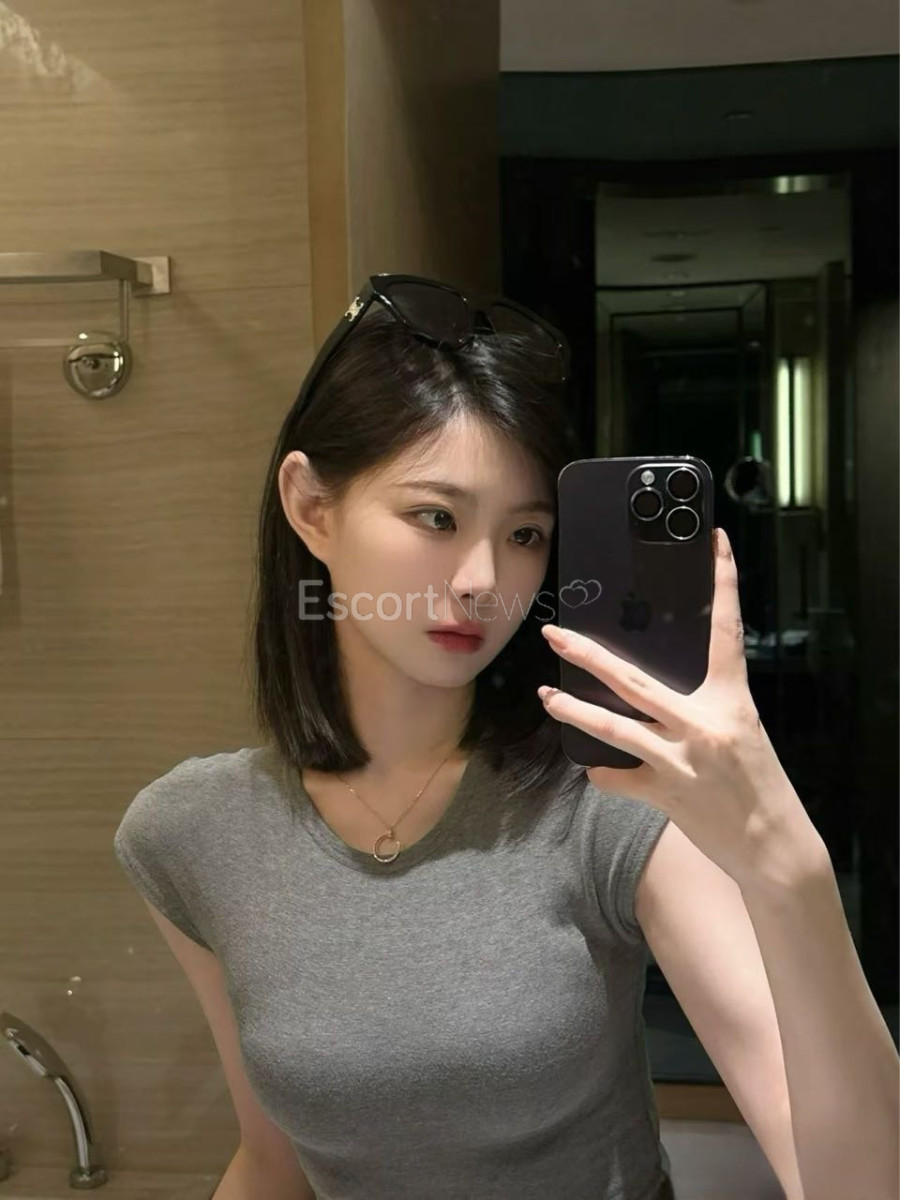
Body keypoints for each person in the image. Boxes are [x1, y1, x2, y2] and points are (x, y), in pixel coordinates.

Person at [112, 275, 899, 1200]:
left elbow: (854, 1181)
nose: (483, 580)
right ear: (312, 508)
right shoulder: (192, 833)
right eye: (436, 517)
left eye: (525, 534)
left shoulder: (606, 802)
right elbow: (271, 1161)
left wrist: (784, 859)